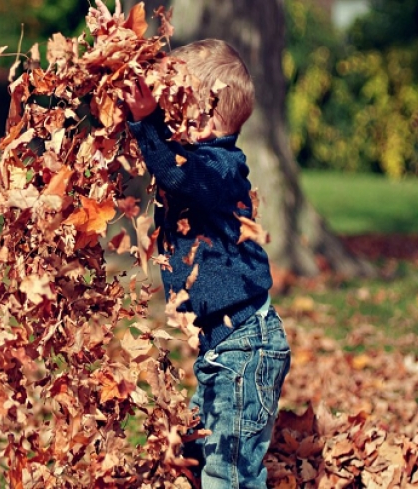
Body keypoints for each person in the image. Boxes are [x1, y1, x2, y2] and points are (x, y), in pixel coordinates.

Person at [122, 39, 292, 488]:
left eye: (179, 106)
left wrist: (145, 125)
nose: (169, 117)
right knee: (195, 450)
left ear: (206, 119)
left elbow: (176, 173)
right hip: (222, 349)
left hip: (244, 350)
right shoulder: (198, 160)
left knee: (228, 472)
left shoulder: (219, 168)